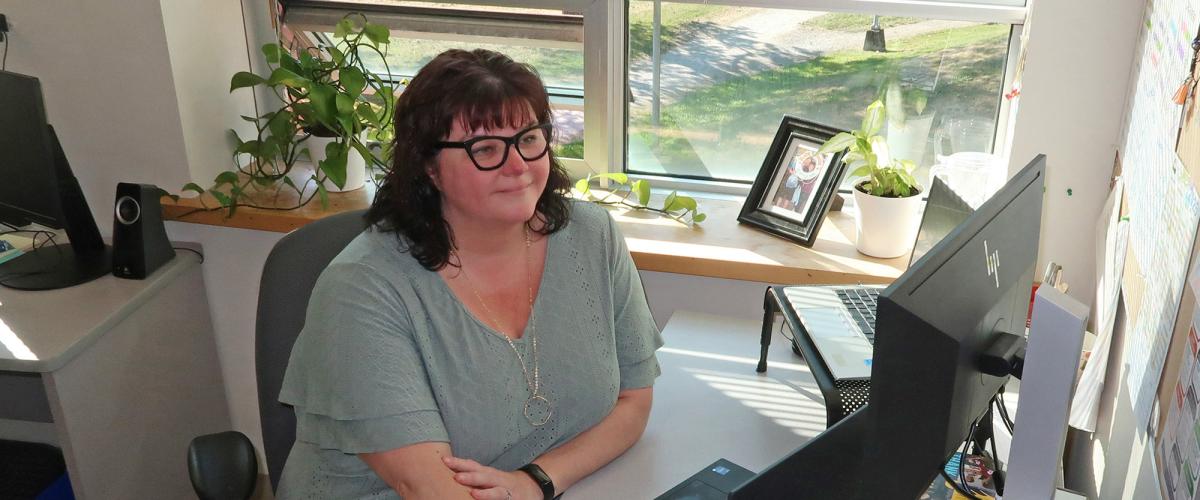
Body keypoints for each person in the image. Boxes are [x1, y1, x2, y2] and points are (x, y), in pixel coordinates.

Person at [275, 48, 664, 499]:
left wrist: (536, 481)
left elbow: (634, 401)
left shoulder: (592, 236)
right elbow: (431, 489)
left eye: (529, 138)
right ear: (429, 167)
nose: (517, 165)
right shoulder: (360, 290)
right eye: (485, 149)